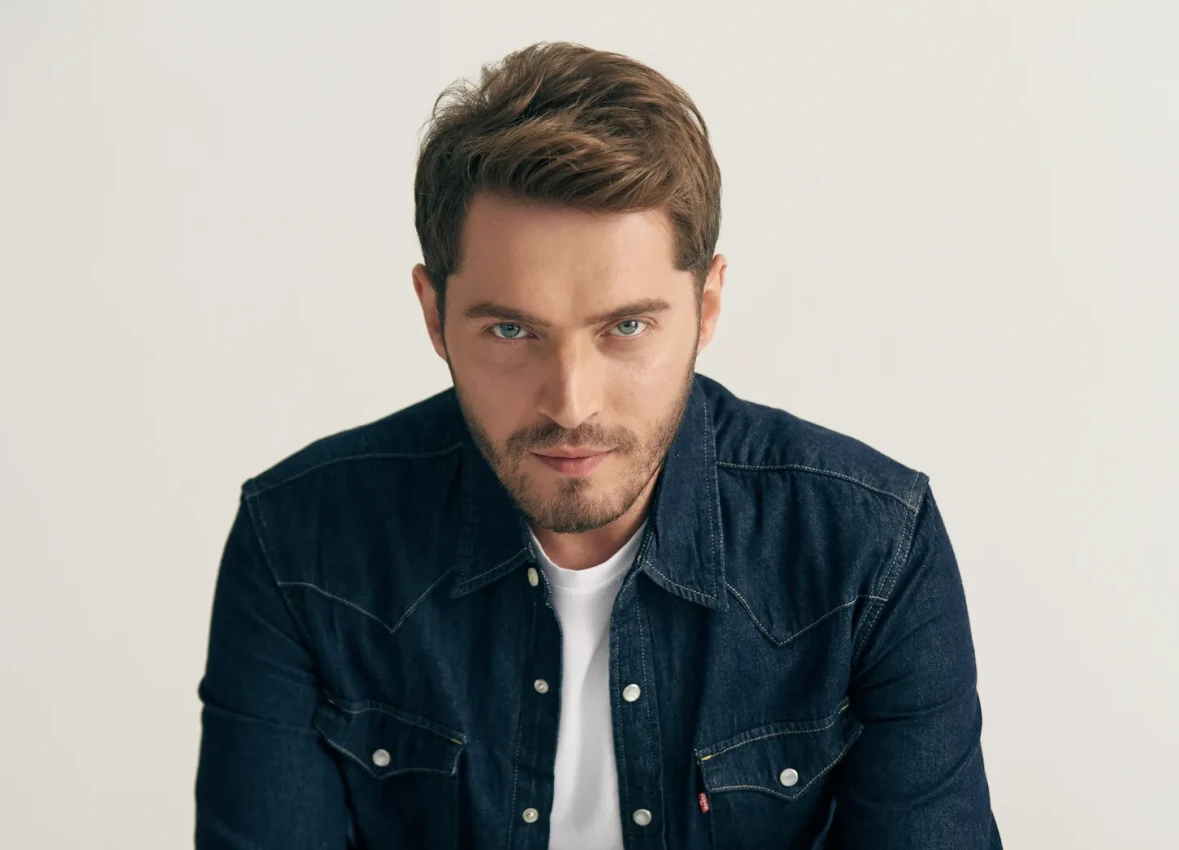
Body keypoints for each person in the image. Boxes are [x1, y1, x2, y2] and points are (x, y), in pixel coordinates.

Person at [195, 40, 1001, 850]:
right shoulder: (300, 545)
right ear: (434, 315)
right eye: (512, 331)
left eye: (627, 327)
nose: (571, 403)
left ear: (706, 308)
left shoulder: (869, 550)